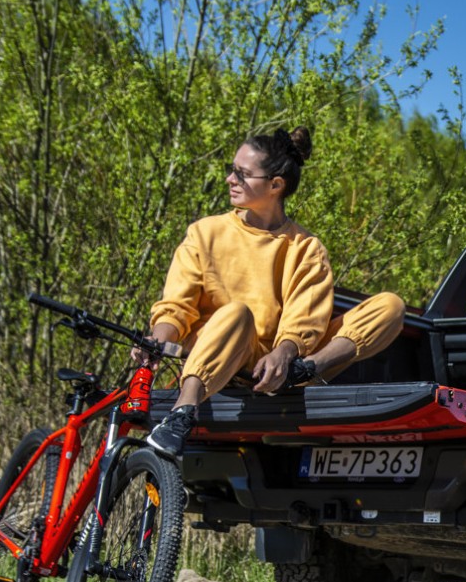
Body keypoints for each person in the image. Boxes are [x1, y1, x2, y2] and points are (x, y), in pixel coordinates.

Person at [141, 126, 405, 458]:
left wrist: (286, 356)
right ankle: (182, 412)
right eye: (232, 169)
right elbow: (175, 308)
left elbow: (304, 318)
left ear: (275, 185)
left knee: (390, 306)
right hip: (221, 354)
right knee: (237, 313)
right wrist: (156, 339)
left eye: (242, 173)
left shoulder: (306, 247)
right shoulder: (206, 233)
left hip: (283, 364)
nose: (230, 179)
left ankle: (306, 371)